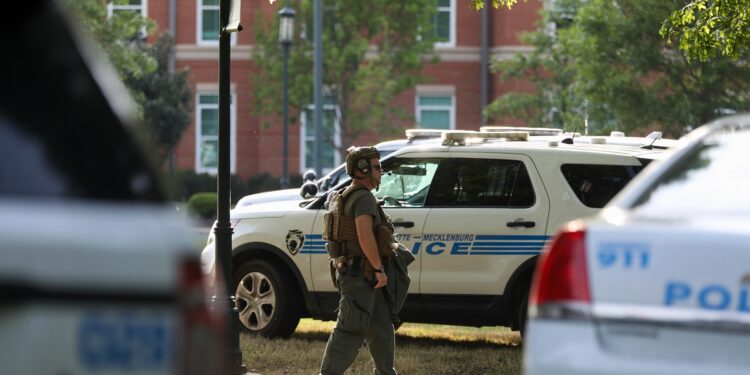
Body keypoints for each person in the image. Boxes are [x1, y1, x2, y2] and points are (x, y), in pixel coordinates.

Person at [320, 146, 397, 375]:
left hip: (361, 273)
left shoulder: (349, 194)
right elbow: (365, 236)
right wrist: (378, 269)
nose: (381, 171)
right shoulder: (362, 198)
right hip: (360, 275)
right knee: (350, 330)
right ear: (363, 169)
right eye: (377, 167)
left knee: (382, 328)